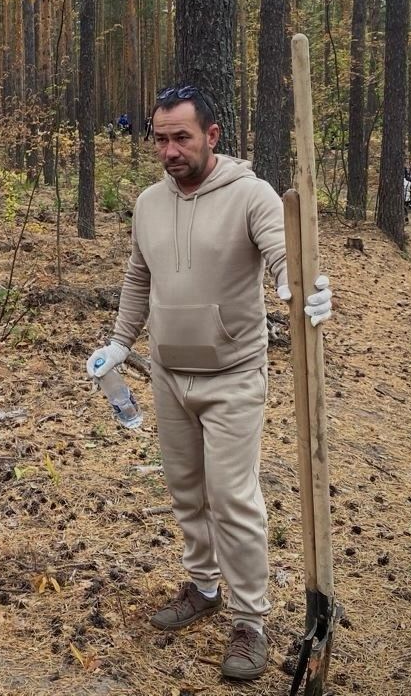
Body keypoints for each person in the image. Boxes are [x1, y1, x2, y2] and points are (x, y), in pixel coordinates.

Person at [85, 84, 332, 682]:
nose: (170, 150)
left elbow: (282, 254)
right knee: (186, 489)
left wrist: (302, 283)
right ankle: (203, 585)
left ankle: (251, 618)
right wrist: (121, 340)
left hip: (233, 376)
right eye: (160, 138)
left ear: (212, 136)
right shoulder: (148, 202)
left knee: (232, 496)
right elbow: (139, 275)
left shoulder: (252, 196)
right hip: (169, 374)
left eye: (182, 138)